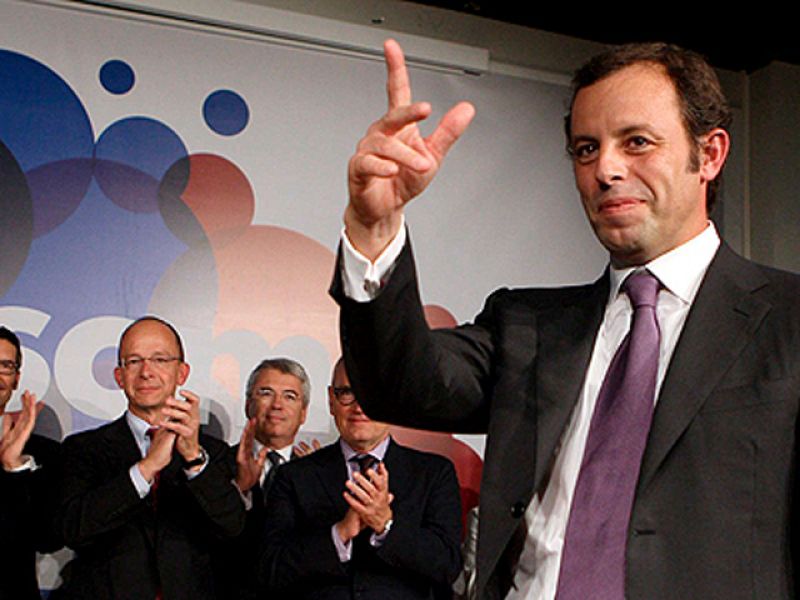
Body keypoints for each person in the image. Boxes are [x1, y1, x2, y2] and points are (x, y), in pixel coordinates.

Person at [330, 39, 800, 599]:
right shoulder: (527, 326)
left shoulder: (787, 319)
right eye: (586, 149)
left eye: (637, 142)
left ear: (711, 154)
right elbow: (396, 384)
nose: (606, 169)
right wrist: (374, 229)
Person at [58, 316, 245, 600]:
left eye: (160, 359)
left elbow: (232, 527)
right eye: (134, 361)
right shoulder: (83, 449)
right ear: (119, 376)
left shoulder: (213, 453)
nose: (146, 372)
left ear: (181, 373)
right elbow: (70, 530)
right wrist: (145, 469)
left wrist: (193, 459)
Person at [259, 357, 462, 599]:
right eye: (347, 393)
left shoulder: (433, 473)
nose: (359, 407)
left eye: (372, 394)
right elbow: (271, 570)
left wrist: (386, 524)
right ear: (331, 400)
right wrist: (340, 534)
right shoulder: (294, 476)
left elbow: (447, 566)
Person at [220, 357, 319, 599]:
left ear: (303, 413)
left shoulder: (317, 475)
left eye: (289, 396)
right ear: (248, 405)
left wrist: (315, 485)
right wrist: (240, 488)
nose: (277, 405)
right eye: (266, 393)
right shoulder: (217, 465)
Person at [0, 325, 62, 600]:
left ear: (16, 379)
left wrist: (15, 470)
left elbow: (48, 539)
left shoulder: (43, 454)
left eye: (6, 366)